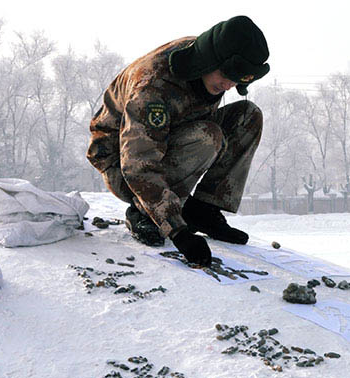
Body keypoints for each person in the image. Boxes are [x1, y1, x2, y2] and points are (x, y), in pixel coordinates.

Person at [87, 16, 268, 265]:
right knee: (208, 137)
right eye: (226, 75)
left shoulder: (203, 66)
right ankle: (144, 213)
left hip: (169, 139)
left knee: (249, 116)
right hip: (121, 164)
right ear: (210, 60)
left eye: (236, 80)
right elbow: (138, 164)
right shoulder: (153, 86)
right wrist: (177, 231)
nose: (228, 85)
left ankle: (204, 210)